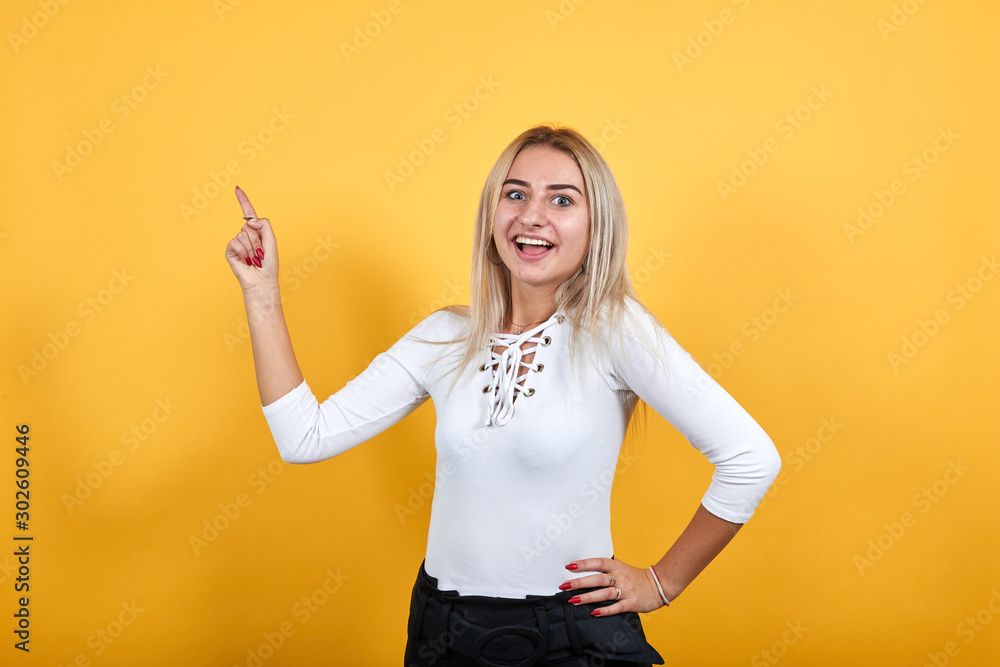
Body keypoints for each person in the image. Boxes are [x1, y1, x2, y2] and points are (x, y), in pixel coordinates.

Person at [225, 125, 782, 666]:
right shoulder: (443, 336)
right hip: (444, 633)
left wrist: (662, 583)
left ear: (597, 226)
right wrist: (262, 294)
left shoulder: (614, 329)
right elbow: (304, 437)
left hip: (572, 636)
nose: (532, 215)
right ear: (493, 215)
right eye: (515, 194)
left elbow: (750, 459)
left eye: (562, 199)